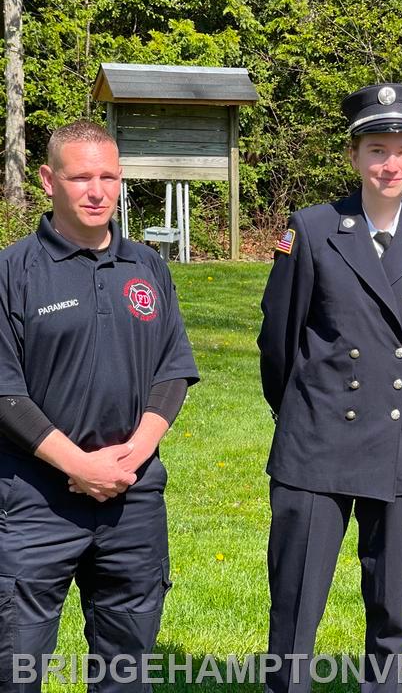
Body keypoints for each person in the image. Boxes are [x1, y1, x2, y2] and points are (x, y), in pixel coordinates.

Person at [258, 83, 402, 693]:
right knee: (295, 602)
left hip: (399, 444)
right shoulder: (314, 229)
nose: (388, 164)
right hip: (316, 441)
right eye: (376, 149)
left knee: (393, 605)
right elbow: (278, 341)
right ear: (353, 157)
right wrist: (304, 411)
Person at [0, 120, 199, 691]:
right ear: (48, 180)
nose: (96, 190)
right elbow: (5, 393)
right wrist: (79, 466)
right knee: (18, 665)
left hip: (132, 503)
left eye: (108, 176)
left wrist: (132, 457)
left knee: (126, 667)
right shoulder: (13, 273)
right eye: (80, 176)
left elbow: (173, 372)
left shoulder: (148, 267)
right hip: (34, 502)